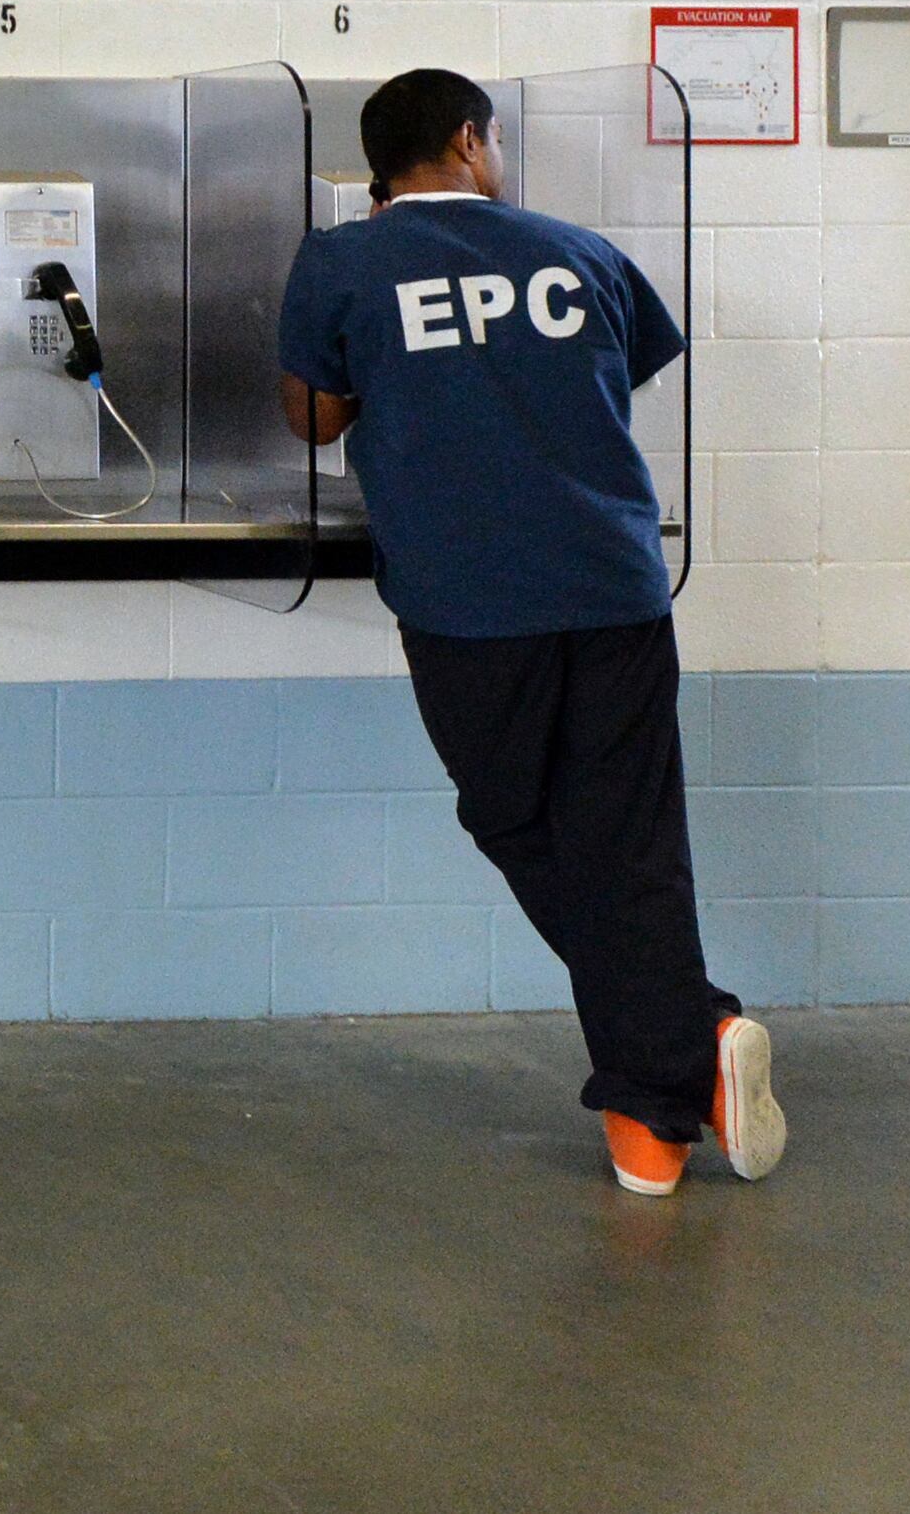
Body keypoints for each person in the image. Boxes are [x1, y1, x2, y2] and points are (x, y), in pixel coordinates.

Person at [277, 68, 783, 1200]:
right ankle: (671, 1081)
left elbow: (312, 416)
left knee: (515, 814)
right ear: (470, 141)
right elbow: (621, 374)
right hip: (615, 584)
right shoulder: (579, 252)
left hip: (469, 604)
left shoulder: (344, 262)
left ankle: (674, 1065)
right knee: (632, 839)